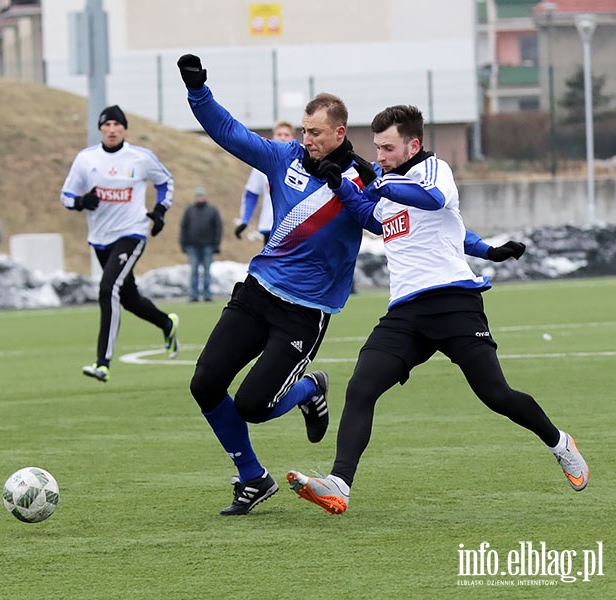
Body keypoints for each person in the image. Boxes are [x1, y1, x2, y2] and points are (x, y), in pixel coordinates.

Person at [287, 104, 589, 515]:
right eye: (376, 148)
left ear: (413, 144)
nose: (380, 156)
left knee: (496, 394)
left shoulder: (434, 171)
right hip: (406, 313)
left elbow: (432, 203)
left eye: (388, 148)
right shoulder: (387, 183)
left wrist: (377, 183)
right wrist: (342, 185)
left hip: (453, 303)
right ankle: (339, 484)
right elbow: (375, 219)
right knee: (361, 386)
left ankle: (559, 442)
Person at [177, 54, 382, 515]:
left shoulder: (365, 179)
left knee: (252, 404)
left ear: (339, 134)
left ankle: (310, 389)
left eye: (315, 133)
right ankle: (252, 478)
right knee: (205, 384)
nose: (306, 140)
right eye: (304, 131)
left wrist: (349, 187)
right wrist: (198, 91)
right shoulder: (281, 157)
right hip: (256, 292)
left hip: (304, 313)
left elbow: (381, 222)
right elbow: (229, 132)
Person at [60, 104, 179, 383]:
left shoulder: (140, 158)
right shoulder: (86, 159)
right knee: (129, 298)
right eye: (107, 125)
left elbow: (165, 182)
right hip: (100, 240)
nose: (112, 130)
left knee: (107, 289)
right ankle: (166, 322)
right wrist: (80, 202)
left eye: (117, 125)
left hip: (132, 233)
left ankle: (103, 362)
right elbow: (65, 195)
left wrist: (161, 210)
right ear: (100, 129)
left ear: (124, 129)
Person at [234, 121, 296, 246]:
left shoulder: (300, 163)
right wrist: (245, 220)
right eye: (279, 134)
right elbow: (252, 193)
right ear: (273, 137)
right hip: (270, 226)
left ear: (293, 138)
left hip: (294, 228)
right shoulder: (263, 163)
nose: (282, 137)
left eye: (286, 134)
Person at [180, 186, 222, 302]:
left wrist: (217, 244)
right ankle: (194, 295)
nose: (200, 198)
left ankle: (207, 294)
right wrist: (183, 244)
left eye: (202, 196)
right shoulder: (189, 211)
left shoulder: (212, 210)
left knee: (207, 271)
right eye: (198, 196)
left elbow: (218, 228)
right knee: (194, 271)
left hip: (208, 245)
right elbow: (184, 228)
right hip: (192, 246)